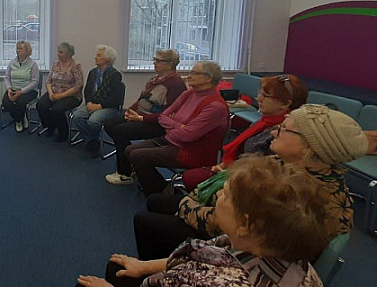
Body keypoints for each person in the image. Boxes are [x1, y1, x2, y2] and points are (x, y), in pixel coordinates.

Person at [133, 104, 367, 261]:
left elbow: (227, 225)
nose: (274, 133)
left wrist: (187, 205)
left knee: (146, 220)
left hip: (246, 251)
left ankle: (169, 271)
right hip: (238, 226)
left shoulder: (297, 190)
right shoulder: (306, 169)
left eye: (284, 130)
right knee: (157, 201)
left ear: (310, 148)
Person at [77, 155, 332, 287]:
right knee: (119, 267)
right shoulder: (278, 251)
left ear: (245, 223)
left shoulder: (210, 282)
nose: (219, 195)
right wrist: (143, 266)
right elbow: (213, 250)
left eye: (226, 195)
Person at [180, 74, 308, 190]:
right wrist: (224, 166)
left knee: (191, 178)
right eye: (260, 93)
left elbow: (261, 176)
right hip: (234, 169)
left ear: (285, 104)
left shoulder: (282, 134)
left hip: (243, 182)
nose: (258, 99)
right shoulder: (266, 120)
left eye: (266, 96)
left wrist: (228, 172)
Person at [124, 61, 229, 195]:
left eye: (194, 73)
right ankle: (162, 190)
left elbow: (188, 135)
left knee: (137, 156)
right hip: (172, 140)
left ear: (208, 78)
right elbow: (163, 116)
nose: (189, 76)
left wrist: (171, 126)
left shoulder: (215, 106)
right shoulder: (189, 94)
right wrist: (178, 126)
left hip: (191, 151)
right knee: (130, 150)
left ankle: (158, 195)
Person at [104, 49, 187, 185]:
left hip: (157, 123)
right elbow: (142, 100)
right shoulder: (155, 80)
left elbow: (169, 114)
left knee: (120, 131)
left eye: (158, 61)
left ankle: (125, 174)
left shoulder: (176, 84)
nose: (154, 63)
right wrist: (130, 111)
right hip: (141, 115)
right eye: (155, 59)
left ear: (170, 64)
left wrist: (140, 118)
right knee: (109, 123)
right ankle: (130, 160)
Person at [71, 45, 123, 158]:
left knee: (93, 121)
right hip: (92, 104)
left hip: (108, 107)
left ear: (107, 59)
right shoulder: (93, 72)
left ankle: (93, 142)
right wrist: (89, 103)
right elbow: (87, 91)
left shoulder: (115, 75)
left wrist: (100, 106)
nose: (95, 57)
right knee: (77, 116)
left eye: (99, 56)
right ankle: (91, 141)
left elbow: (115, 98)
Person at [36, 42, 84, 142]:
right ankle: (50, 125)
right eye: (58, 52)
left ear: (68, 54)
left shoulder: (75, 66)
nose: (58, 54)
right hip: (54, 92)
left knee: (56, 109)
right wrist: (50, 93)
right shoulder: (55, 64)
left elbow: (78, 86)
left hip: (71, 96)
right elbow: (48, 81)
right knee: (40, 105)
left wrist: (61, 95)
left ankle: (63, 132)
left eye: (61, 52)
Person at [2, 40, 40, 132]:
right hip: (13, 89)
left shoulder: (33, 64)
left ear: (27, 51)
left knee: (19, 102)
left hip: (29, 91)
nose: (17, 50)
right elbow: (7, 77)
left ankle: (19, 121)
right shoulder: (12, 63)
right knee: (6, 103)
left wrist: (22, 91)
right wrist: (9, 89)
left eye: (20, 48)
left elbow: (35, 81)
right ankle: (21, 116)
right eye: (17, 48)